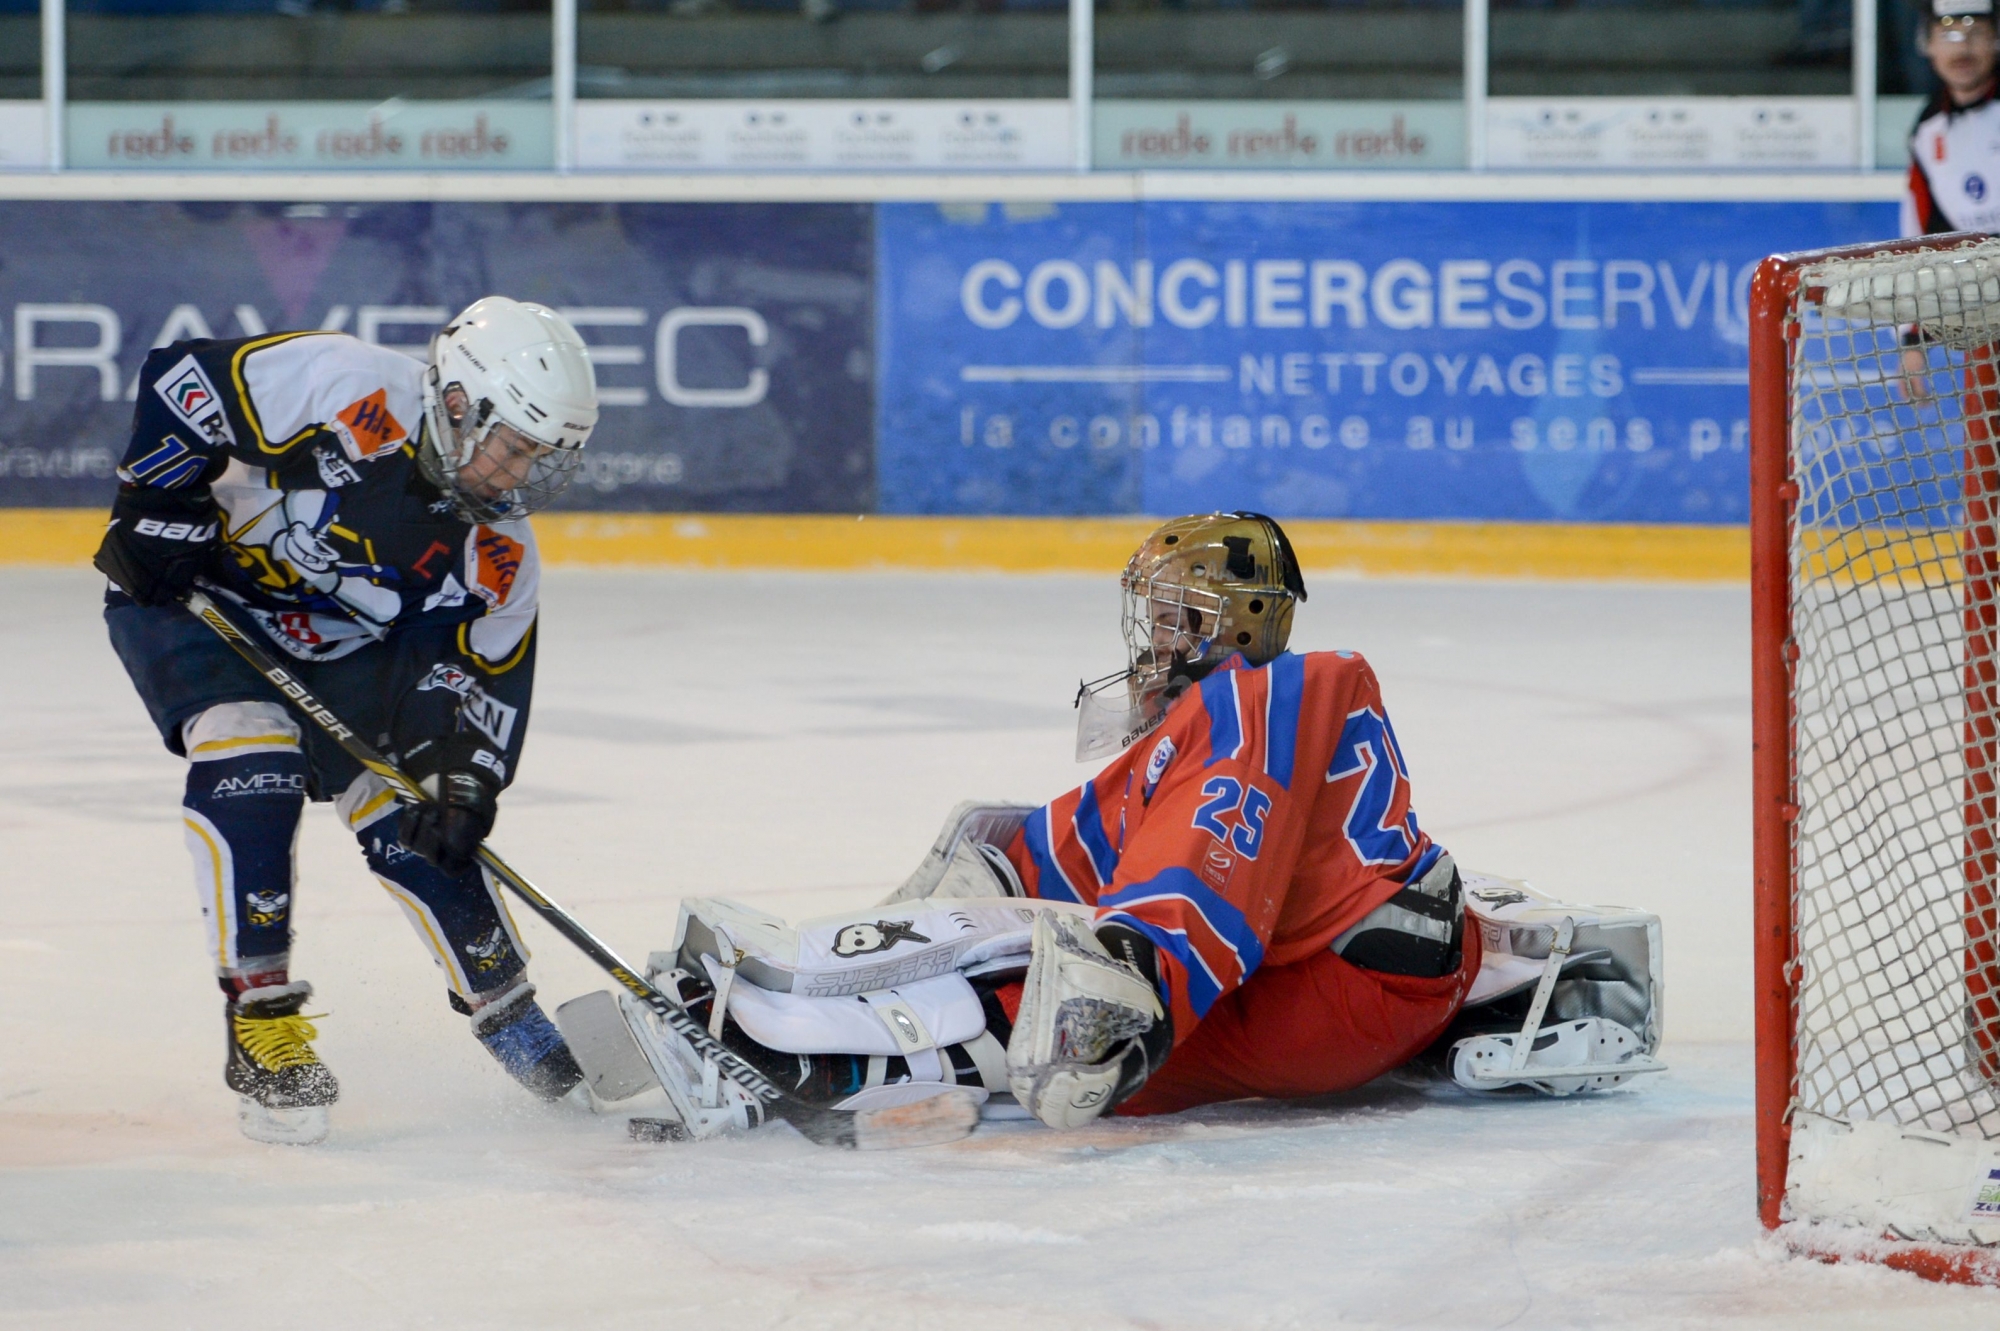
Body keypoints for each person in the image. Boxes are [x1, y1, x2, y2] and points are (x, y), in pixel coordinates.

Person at [587, 513, 1639, 1138]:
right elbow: (1025, 851)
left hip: (1340, 985)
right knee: (1011, 916)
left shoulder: (1267, 693)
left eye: (1176, 616)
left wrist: (1124, 985)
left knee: (1060, 983)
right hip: (1366, 976)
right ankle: (817, 1027)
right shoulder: (1187, 735)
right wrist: (871, 942)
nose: (1152, 638)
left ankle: (814, 1065)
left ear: (1236, 625)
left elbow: (1199, 890)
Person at [94, 297, 599, 1145]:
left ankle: (510, 1015)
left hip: (350, 645)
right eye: (514, 447)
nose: (519, 476)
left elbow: (472, 682)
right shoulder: (343, 387)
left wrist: (460, 777)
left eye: (539, 457)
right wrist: (157, 502)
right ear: (457, 404)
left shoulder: (501, 555)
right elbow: (182, 381)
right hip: (201, 598)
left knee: (418, 825)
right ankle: (262, 1024)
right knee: (252, 760)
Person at [1904, 0, 2000, 237]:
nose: (1962, 49)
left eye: (1976, 33)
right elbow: (1917, 230)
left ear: (1996, 40)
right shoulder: (1926, 127)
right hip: (1964, 272)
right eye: (1948, 35)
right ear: (1928, 45)